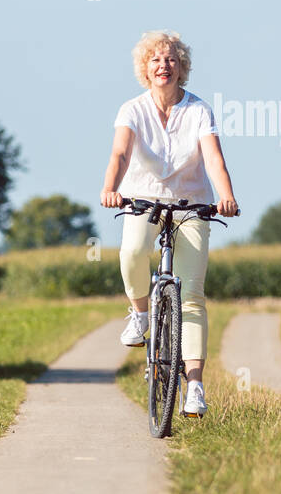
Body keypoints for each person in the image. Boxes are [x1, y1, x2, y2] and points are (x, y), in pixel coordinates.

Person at [100, 30, 240, 418]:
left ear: (182, 68)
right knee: (131, 251)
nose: (164, 66)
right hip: (141, 200)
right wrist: (110, 187)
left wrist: (225, 196)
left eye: (171, 60)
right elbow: (120, 152)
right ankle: (141, 312)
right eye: (156, 60)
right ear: (145, 69)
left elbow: (213, 159)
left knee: (192, 294)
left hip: (191, 205)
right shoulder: (132, 109)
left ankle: (194, 386)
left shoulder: (199, 110)